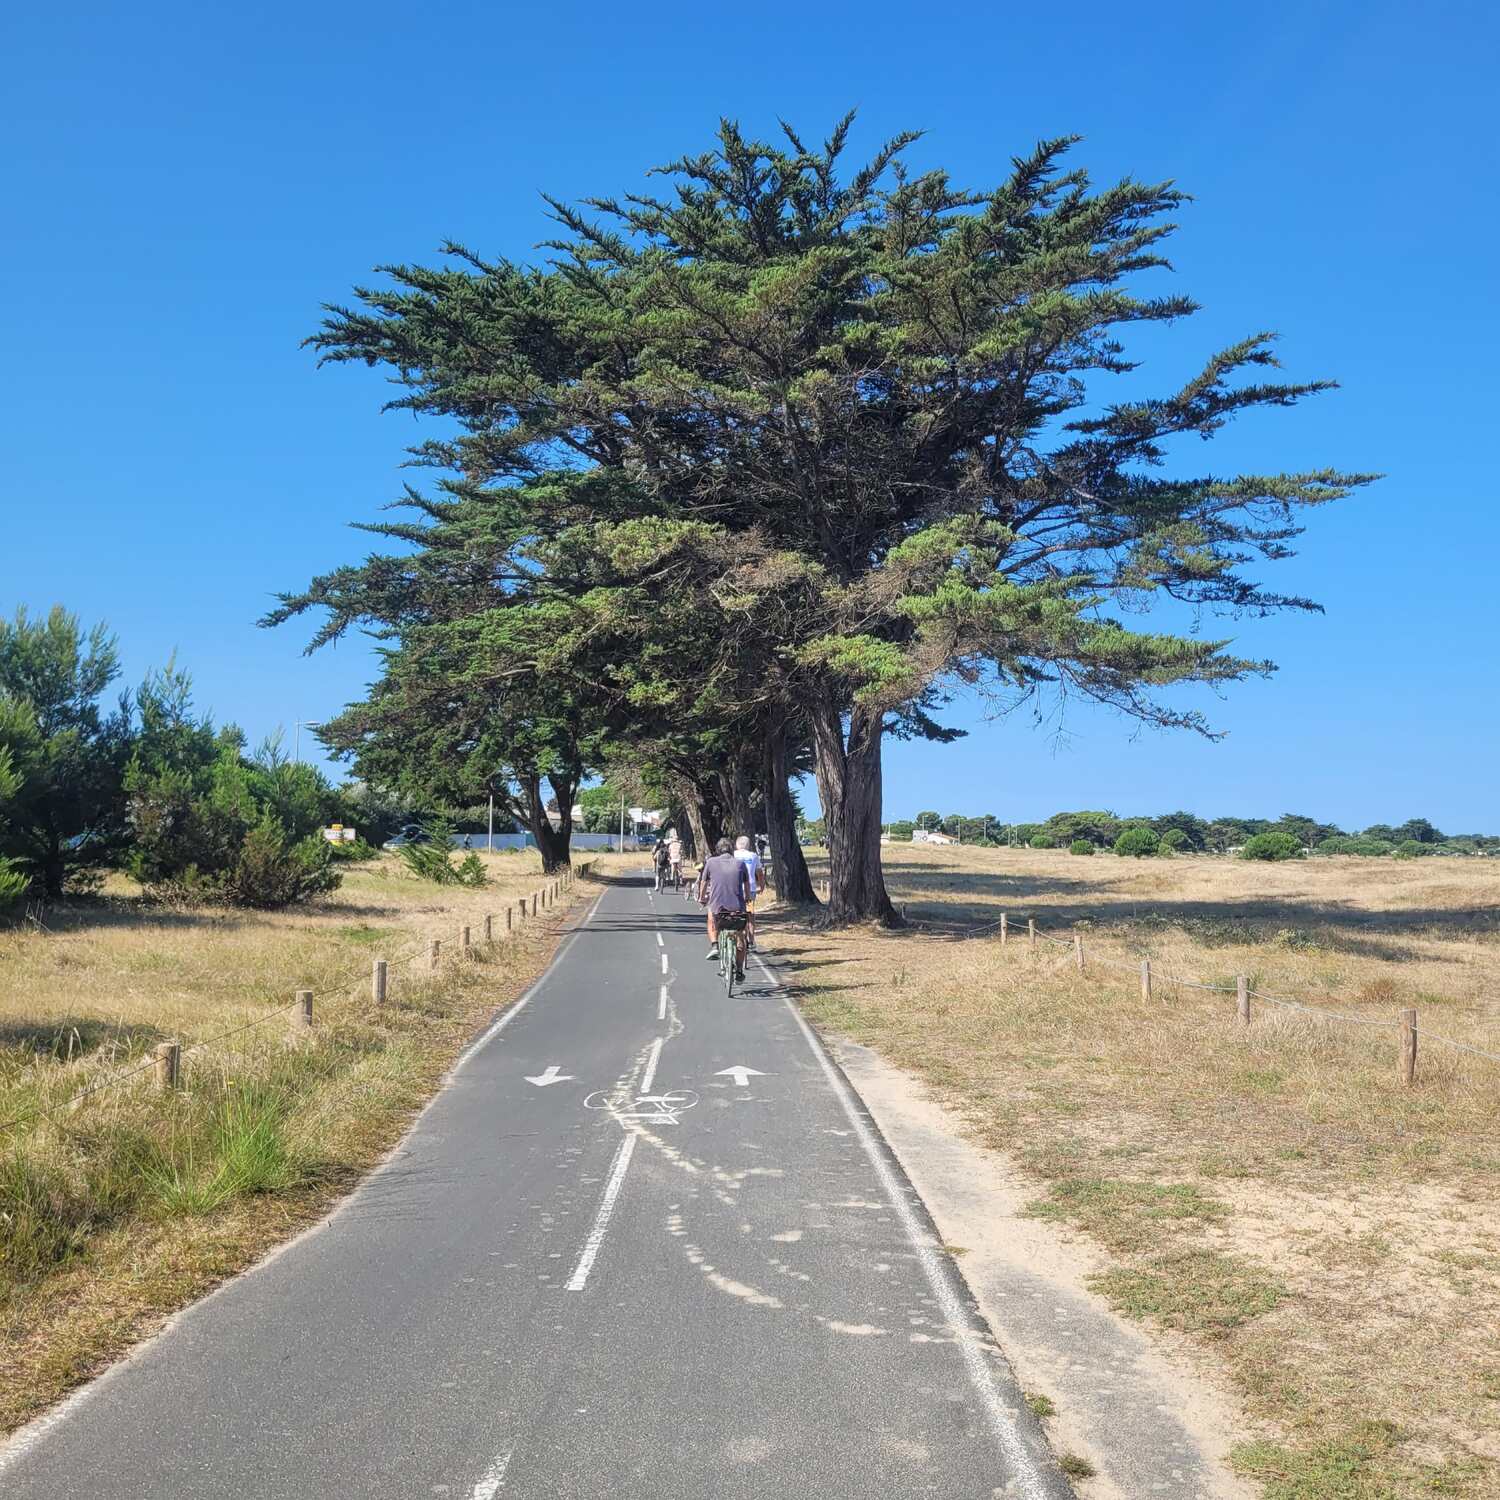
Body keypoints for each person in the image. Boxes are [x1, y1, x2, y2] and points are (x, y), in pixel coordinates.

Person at [696, 836, 751, 981]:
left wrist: (702, 898)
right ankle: (739, 969)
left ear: (717, 850)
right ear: (732, 850)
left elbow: (703, 883)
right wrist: (747, 897)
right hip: (738, 908)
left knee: (711, 919)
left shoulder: (711, 862)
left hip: (718, 908)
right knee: (741, 938)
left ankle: (714, 945)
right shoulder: (740, 864)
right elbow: (747, 885)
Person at [734, 834, 766, 949]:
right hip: (751, 889)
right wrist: (761, 886)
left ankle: (737, 936)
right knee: (750, 914)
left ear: (737, 845)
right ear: (748, 845)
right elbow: (759, 873)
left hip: (736, 888)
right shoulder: (753, 856)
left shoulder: (733, 855)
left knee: (736, 912)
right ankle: (751, 940)